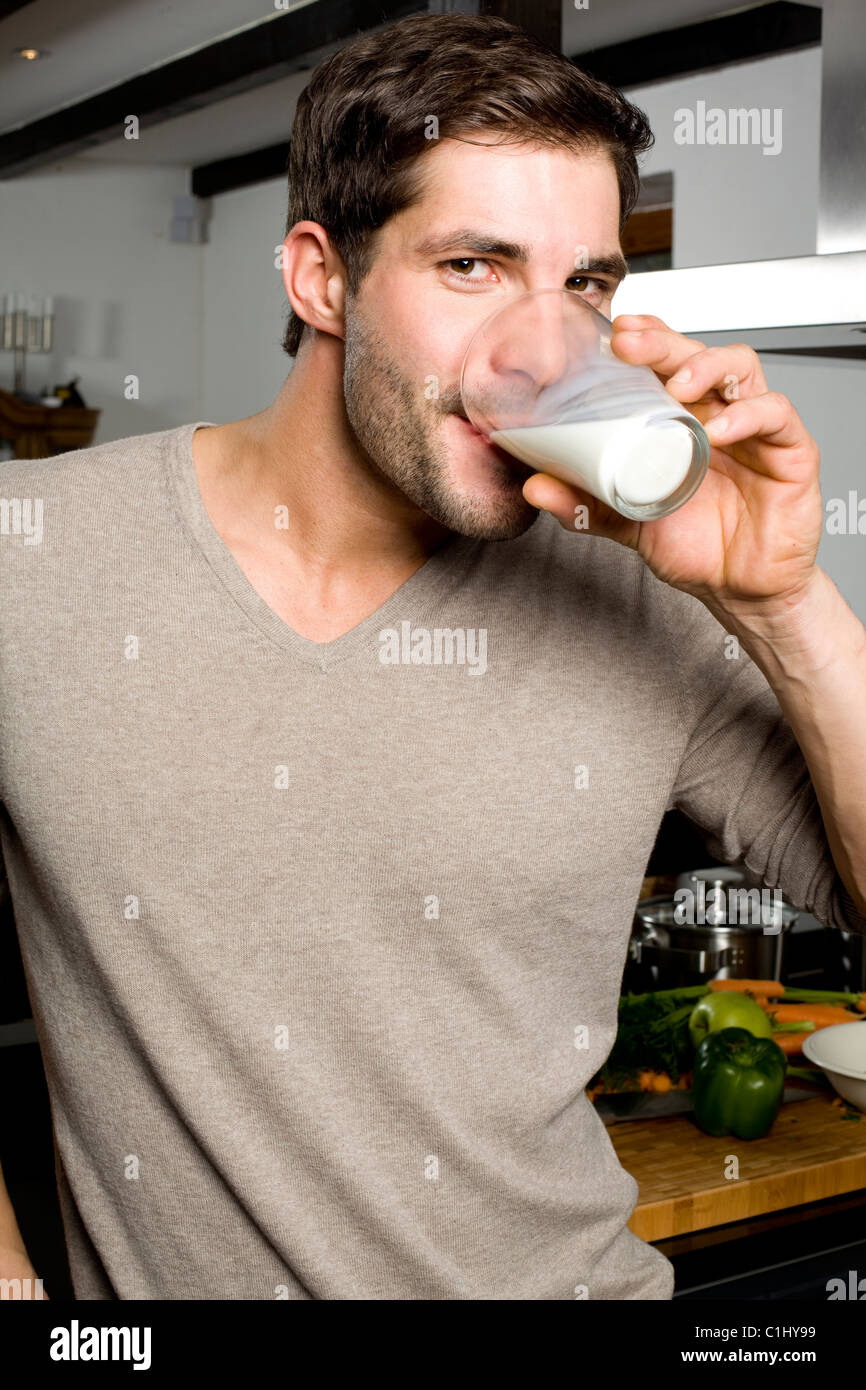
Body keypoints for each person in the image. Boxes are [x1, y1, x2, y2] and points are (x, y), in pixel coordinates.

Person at [1, 11, 864, 1302]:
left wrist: (788, 604)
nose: (540, 347)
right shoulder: (35, 559)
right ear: (320, 278)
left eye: (583, 284)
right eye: (472, 266)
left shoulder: (642, 598)